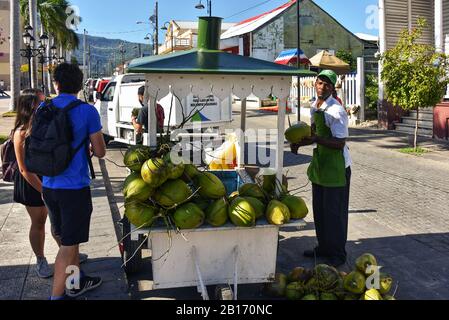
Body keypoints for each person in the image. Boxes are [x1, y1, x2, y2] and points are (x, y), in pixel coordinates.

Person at [42, 63, 106, 300]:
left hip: (48, 185)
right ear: (80, 85)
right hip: (74, 189)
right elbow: (100, 152)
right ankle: (57, 296)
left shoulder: (43, 107)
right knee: (68, 246)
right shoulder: (87, 111)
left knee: (69, 239)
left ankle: (75, 281)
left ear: (56, 84)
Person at [290, 70, 352, 268]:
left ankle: (338, 254)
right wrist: (300, 143)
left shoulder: (336, 111)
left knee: (335, 213)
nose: (322, 87)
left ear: (333, 88)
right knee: (320, 211)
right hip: (321, 165)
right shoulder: (315, 107)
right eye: (320, 82)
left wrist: (316, 139)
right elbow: (315, 133)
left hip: (337, 167)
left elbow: (339, 143)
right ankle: (323, 247)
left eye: (327, 84)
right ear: (315, 84)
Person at [12, 89, 55, 278]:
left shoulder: (44, 126)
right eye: (41, 103)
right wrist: (43, 190)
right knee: (39, 221)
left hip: (47, 178)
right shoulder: (21, 133)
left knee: (56, 219)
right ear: (31, 106)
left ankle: (67, 250)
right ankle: (41, 259)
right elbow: (24, 169)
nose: (44, 106)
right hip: (31, 182)